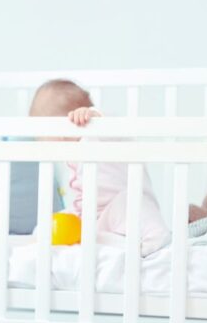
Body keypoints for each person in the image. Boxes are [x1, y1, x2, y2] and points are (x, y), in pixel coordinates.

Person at [30, 79, 171, 257]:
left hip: (120, 207)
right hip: (94, 217)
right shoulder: (71, 158)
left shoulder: (97, 133)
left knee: (131, 202)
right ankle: (40, 237)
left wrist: (93, 116)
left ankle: (156, 236)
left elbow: (111, 125)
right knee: (58, 219)